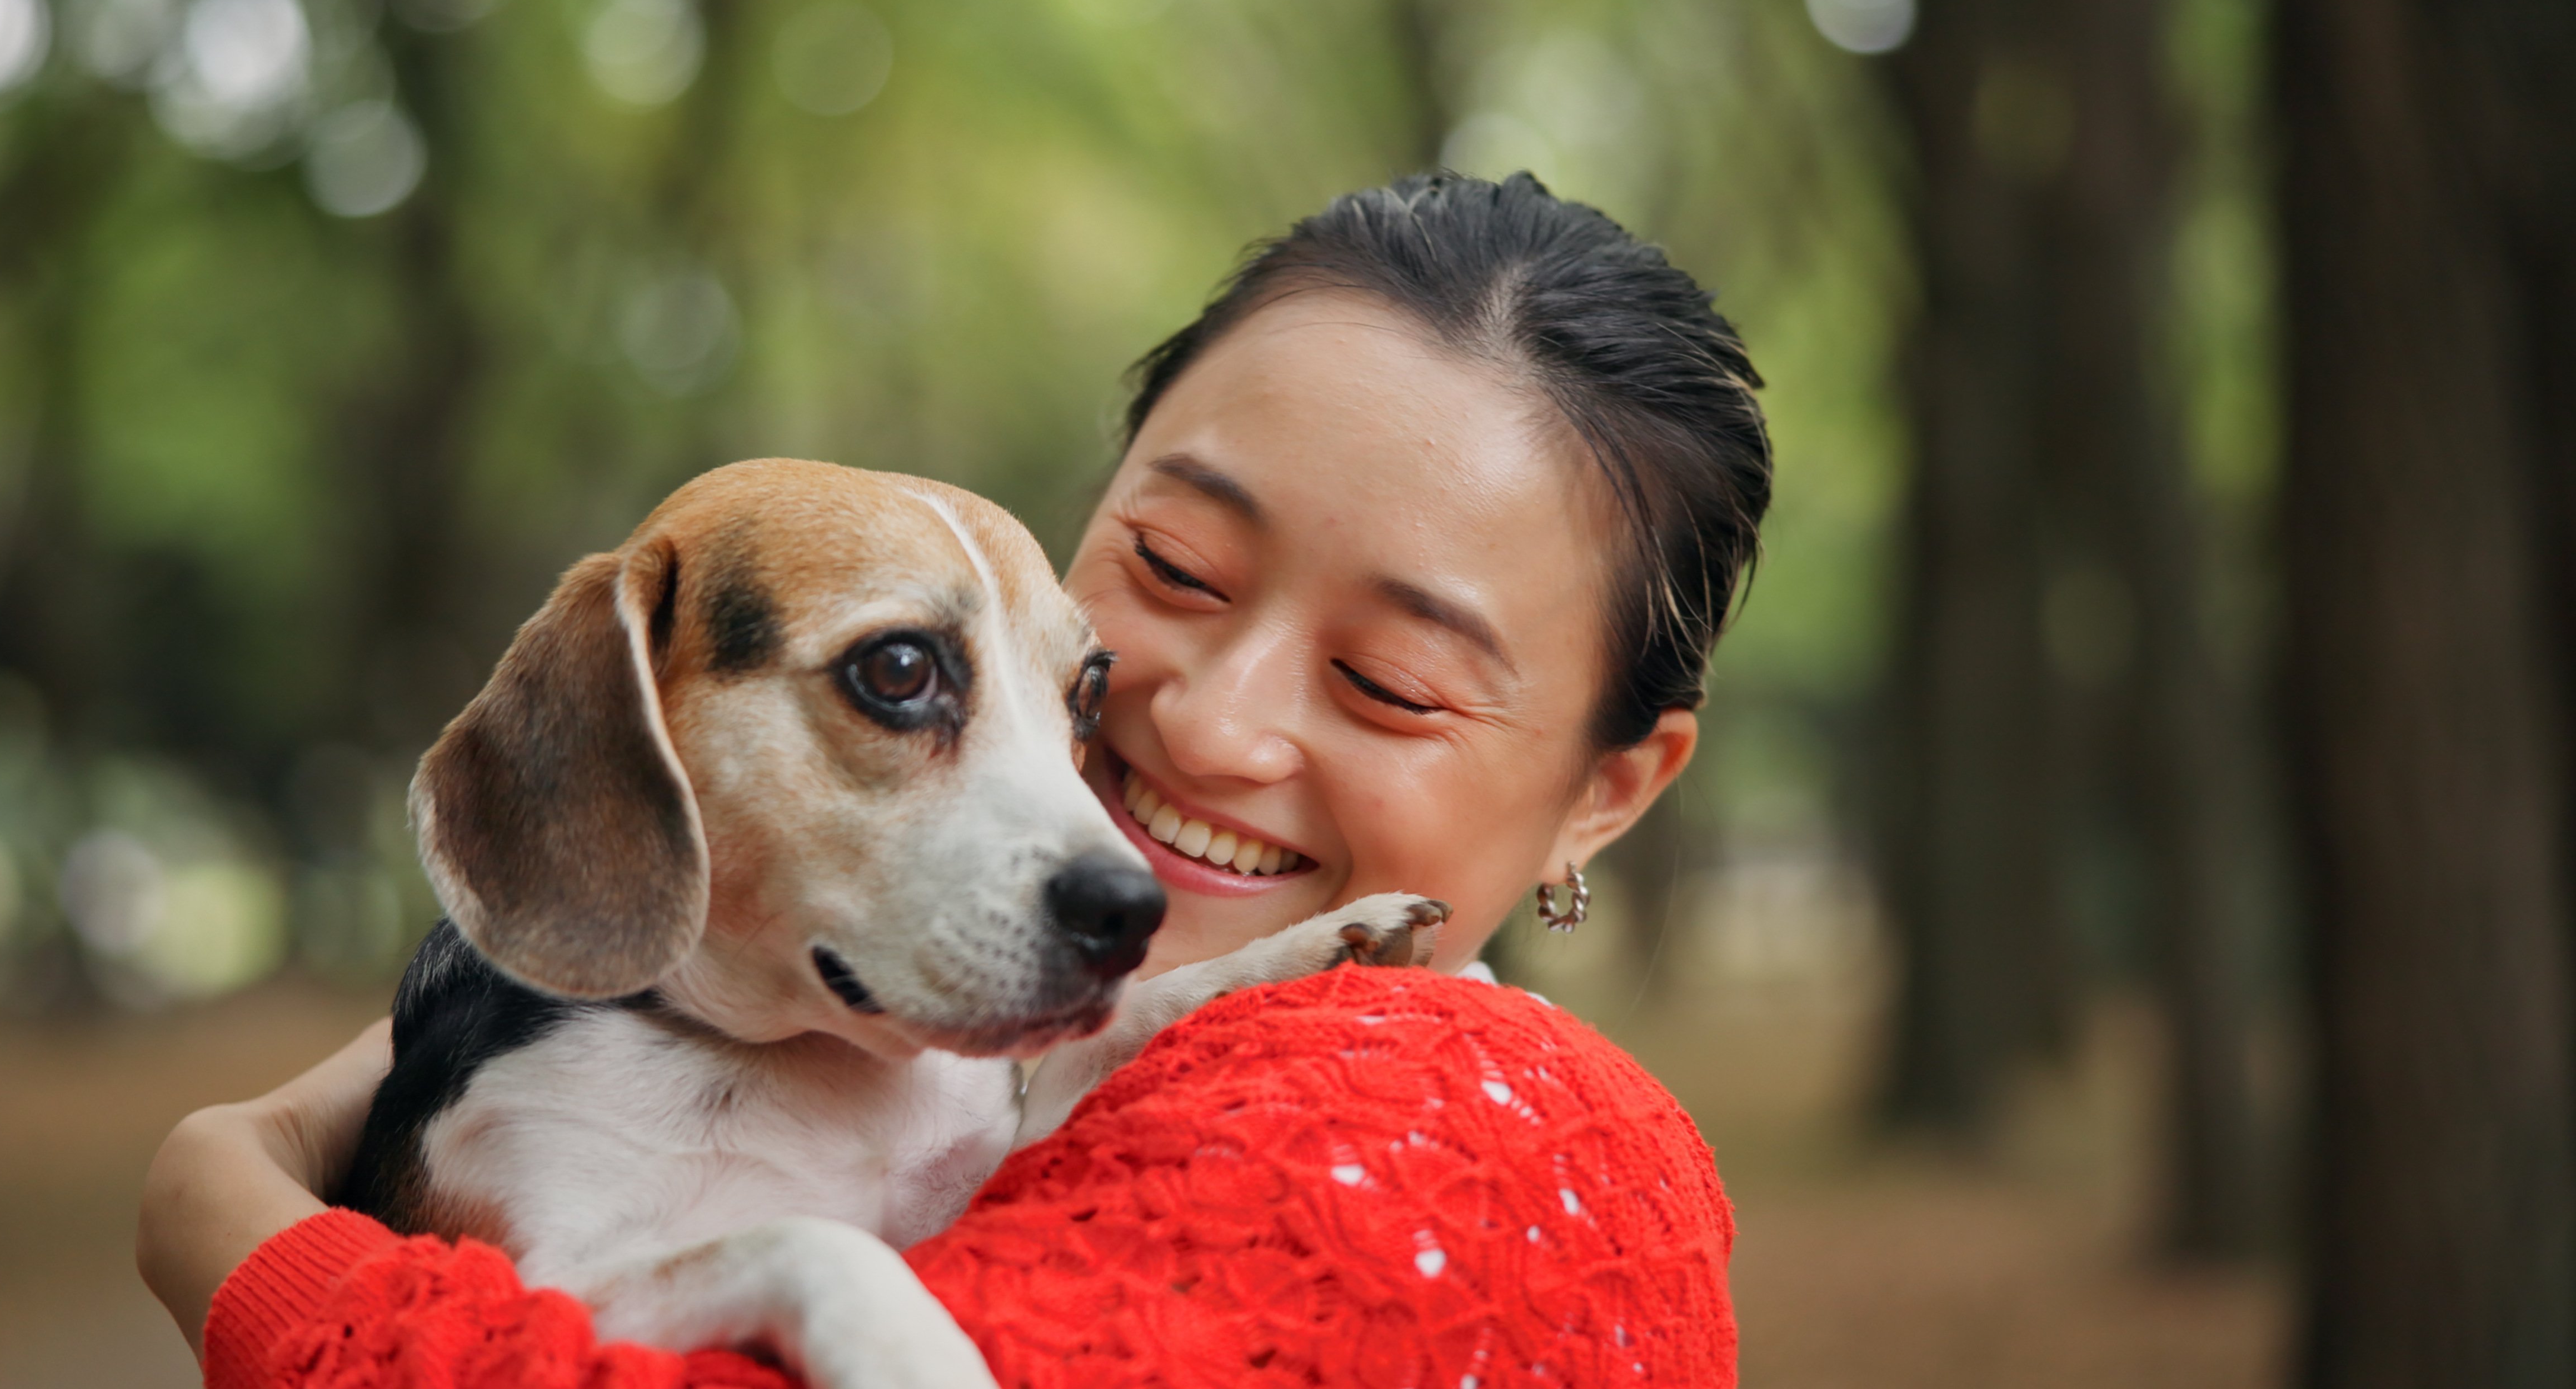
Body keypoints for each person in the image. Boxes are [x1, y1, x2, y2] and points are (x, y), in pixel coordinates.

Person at [139, 171, 1772, 1388]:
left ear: (1610, 791)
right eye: (1174, 568)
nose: (1198, 731)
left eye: (1389, 681)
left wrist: (233, 1218)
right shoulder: (891, 1013)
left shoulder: (1492, 1169)